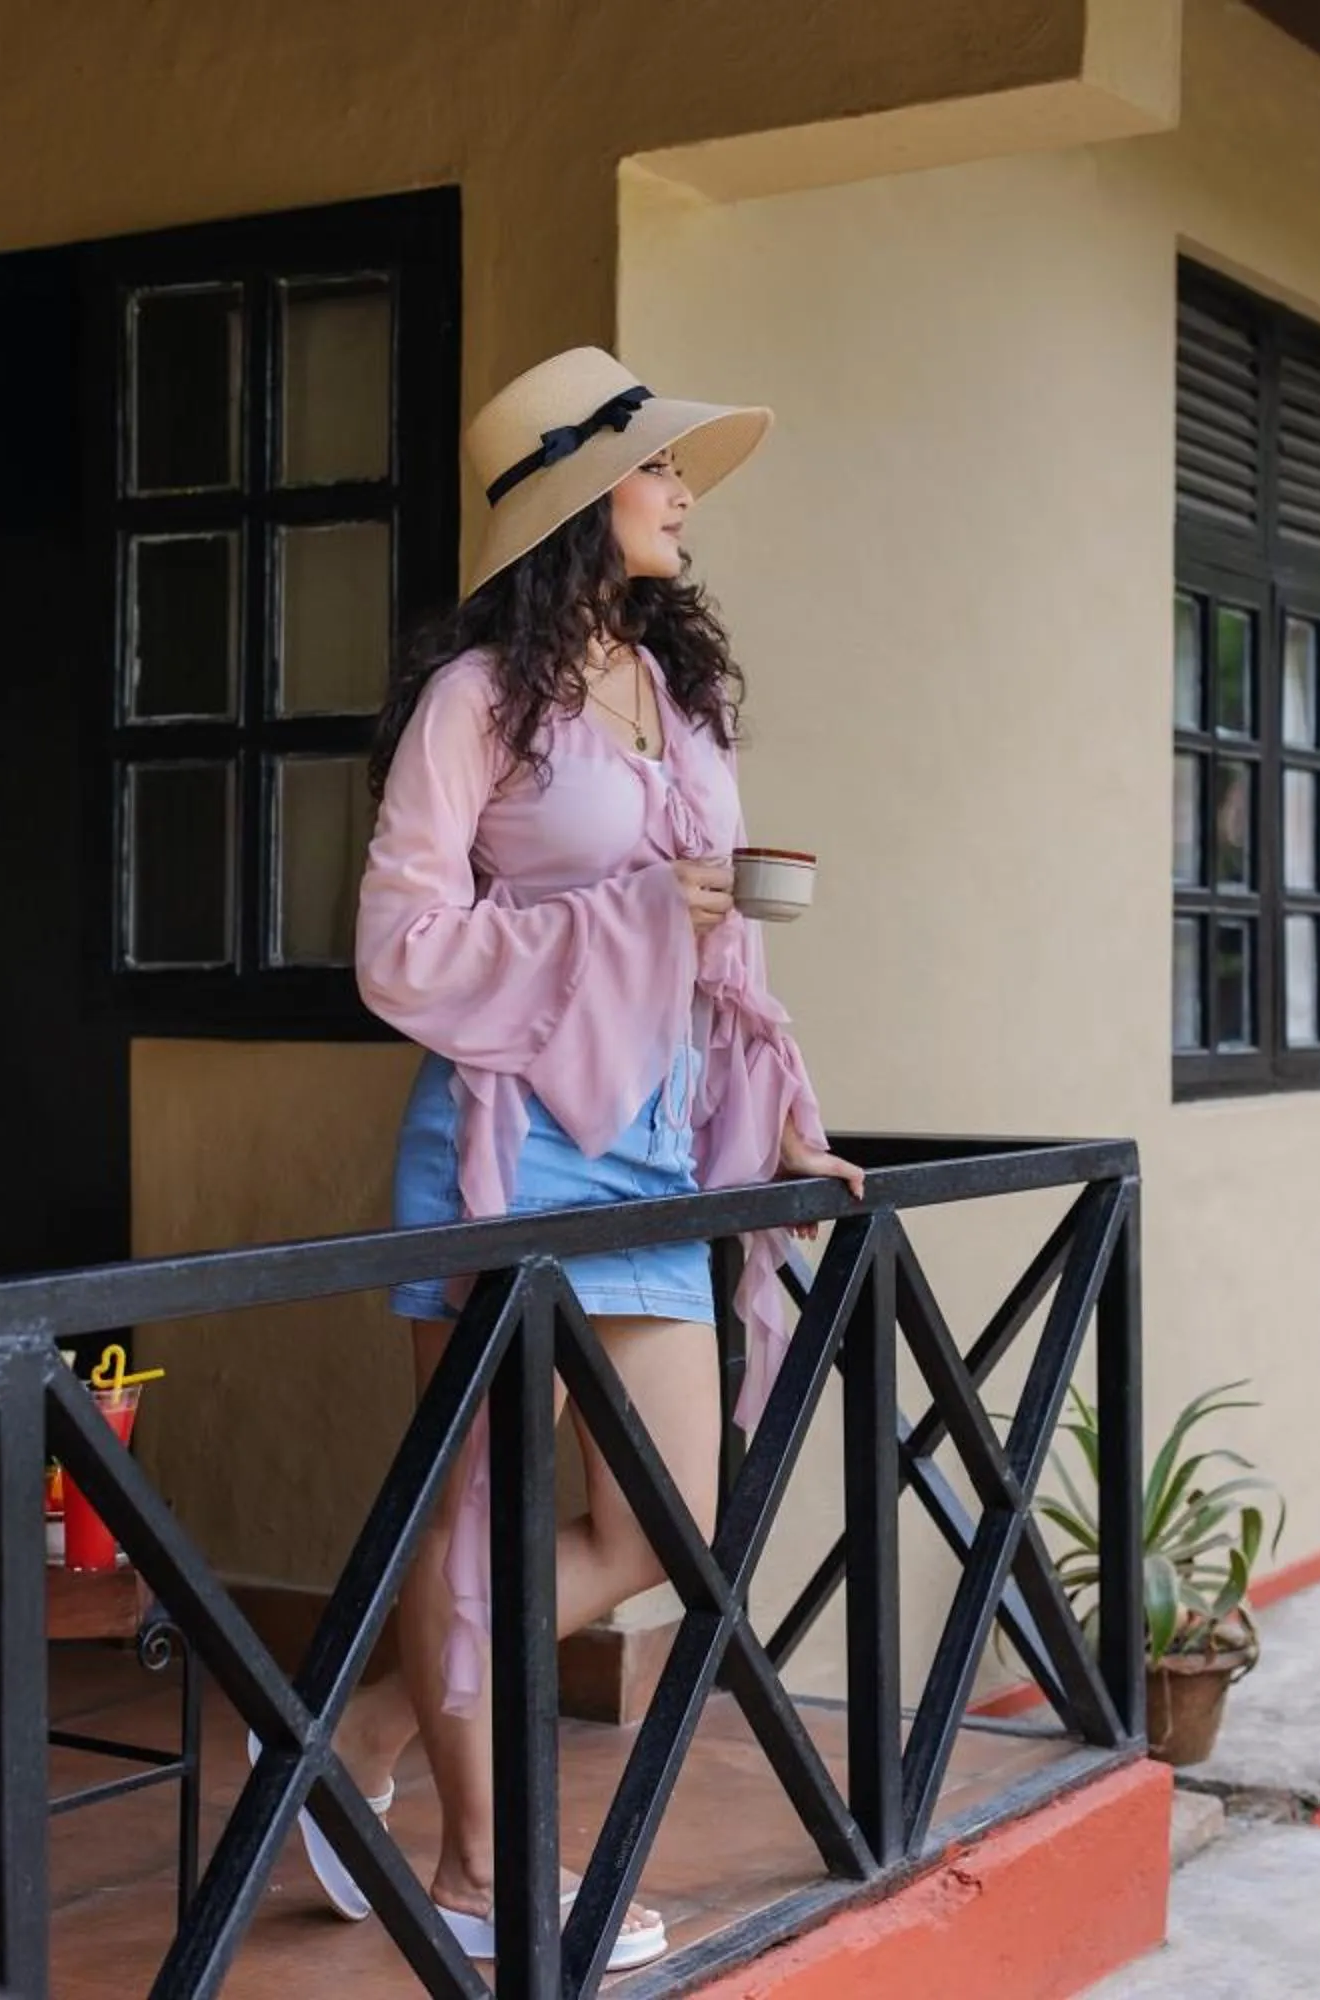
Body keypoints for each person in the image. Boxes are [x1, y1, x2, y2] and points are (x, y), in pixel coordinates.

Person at [271, 347, 865, 1969]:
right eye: (659, 467)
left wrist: (790, 1114)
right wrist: (617, 917)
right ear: (578, 500)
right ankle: (476, 1871)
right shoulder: (477, 701)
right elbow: (399, 944)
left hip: (656, 1155)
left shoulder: (674, 696)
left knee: (672, 1519)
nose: (683, 492)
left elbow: (716, 940)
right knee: (471, 1519)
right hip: (504, 1157)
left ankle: (368, 1732)